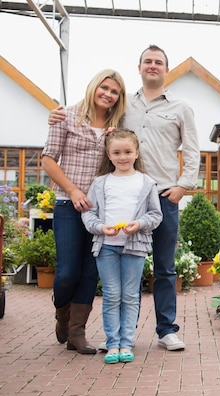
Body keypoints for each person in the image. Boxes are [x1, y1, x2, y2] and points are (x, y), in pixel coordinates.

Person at [50, 45, 200, 351]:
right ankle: (123, 332)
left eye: (159, 62)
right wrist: (57, 113)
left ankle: (166, 329)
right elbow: (93, 116)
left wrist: (184, 186)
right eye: (148, 61)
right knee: (117, 264)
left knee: (165, 267)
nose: (153, 66)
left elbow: (194, 150)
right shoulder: (123, 106)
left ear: (166, 69)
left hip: (163, 194)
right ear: (140, 67)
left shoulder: (181, 108)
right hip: (123, 198)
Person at [43, 69, 127, 354]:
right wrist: (74, 191)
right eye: (104, 88)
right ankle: (62, 315)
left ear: (119, 98)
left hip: (101, 211)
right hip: (68, 204)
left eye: (114, 91)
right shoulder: (65, 116)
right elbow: (48, 159)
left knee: (91, 272)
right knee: (67, 272)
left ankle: (77, 334)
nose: (108, 94)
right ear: (94, 87)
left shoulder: (117, 127)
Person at [82, 128, 162, 364]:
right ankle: (112, 343)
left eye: (128, 151)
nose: (123, 157)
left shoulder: (146, 182)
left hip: (135, 247)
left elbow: (155, 215)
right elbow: (89, 214)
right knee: (111, 295)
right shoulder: (100, 183)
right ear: (109, 155)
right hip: (106, 247)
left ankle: (126, 343)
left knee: (129, 295)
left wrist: (139, 224)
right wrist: (100, 228)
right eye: (117, 152)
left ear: (136, 153)